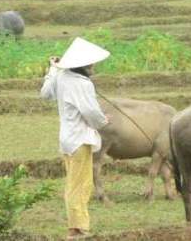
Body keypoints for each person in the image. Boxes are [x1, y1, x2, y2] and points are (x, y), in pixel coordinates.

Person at [40, 37, 110, 240]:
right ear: (83, 65)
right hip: (80, 140)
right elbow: (91, 113)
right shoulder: (83, 84)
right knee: (80, 185)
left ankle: (77, 226)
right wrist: (103, 121)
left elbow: (45, 93)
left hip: (67, 139)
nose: (93, 66)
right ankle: (78, 229)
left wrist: (53, 69)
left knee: (75, 183)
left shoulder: (62, 76)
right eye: (91, 63)